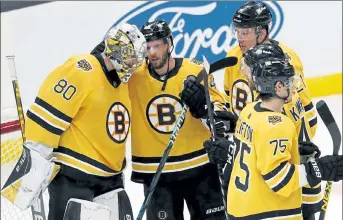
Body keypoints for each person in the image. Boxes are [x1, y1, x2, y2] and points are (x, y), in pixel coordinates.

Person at [91, 19, 237, 220]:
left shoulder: (194, 70)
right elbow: (102, 75)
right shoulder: (132, 76)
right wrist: (102, 53)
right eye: (148, 46)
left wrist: (202, 106)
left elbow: (223, 118)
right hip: (156, 173)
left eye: (157, 46)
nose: (152, 53)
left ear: (169, 44)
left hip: (201, 167)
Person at [21, 23, 147, 220]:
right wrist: (35, 162)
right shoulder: (81, 69)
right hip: (75, 177)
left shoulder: (122, 82)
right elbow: (48, 114)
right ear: (116, 49)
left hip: (110, 179)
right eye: (131, 56)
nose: (135, 63)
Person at [204, 56, 343, 219]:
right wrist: (321, 168)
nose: (293, 86)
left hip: (242, 209)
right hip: (268, 213)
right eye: (289, 81)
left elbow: (257, 153)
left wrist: (295, 152)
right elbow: (279, 180)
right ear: (278, 87)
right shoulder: (278, 124)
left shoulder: (249, 111)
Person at [223, 1, 320, 218]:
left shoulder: (285, 60)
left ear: (262, 32)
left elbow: (303, 110)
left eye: (245, 32)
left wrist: (302, 147)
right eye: (237, 32)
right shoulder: (234, 57)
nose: (240, 38)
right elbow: (230, 100)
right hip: (251, 153)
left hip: (280, 151)